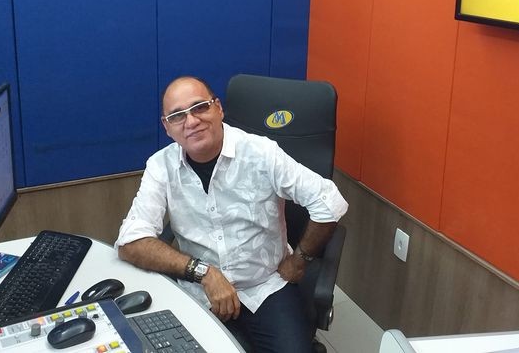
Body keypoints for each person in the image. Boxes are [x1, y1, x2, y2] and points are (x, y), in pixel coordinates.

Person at [115, 75, 348, 353]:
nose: (191, 121)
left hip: (265, 285)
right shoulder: (160, 166)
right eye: (178, 116)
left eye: (199, 107)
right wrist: (204, 273)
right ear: (167, 127)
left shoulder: (261, 153)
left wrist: (300, 259)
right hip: (200, 290)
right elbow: (130, 241)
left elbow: (329, 202)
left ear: (218, 108)